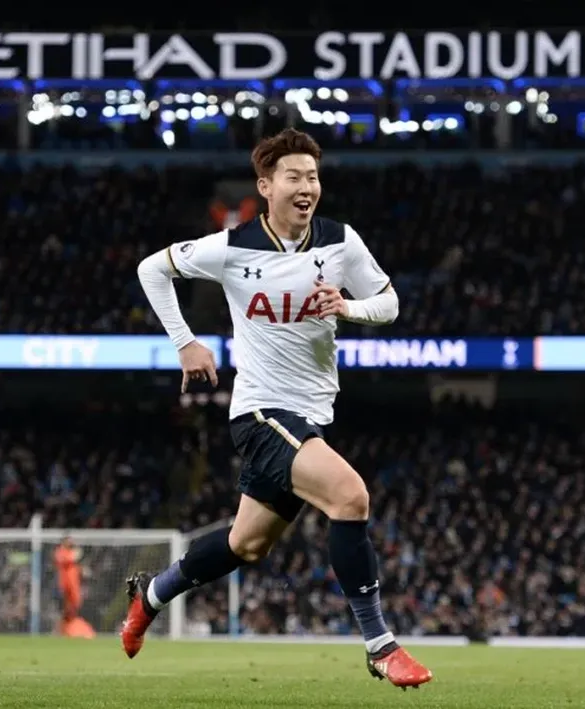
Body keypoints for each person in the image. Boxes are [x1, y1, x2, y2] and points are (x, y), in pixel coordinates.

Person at [127, 128, 432, 689]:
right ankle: (380, 645)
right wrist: (185, 342)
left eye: (313, 176)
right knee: (350, 495)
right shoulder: (233, 245)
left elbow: (389, 302)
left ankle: (150, 595)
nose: (306, 186)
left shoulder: (340, 241)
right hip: (261, 412)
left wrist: (349, 306)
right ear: (265, 186)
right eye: (293, 176)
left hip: (311, 413)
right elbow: (152, 269)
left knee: (247, 544)